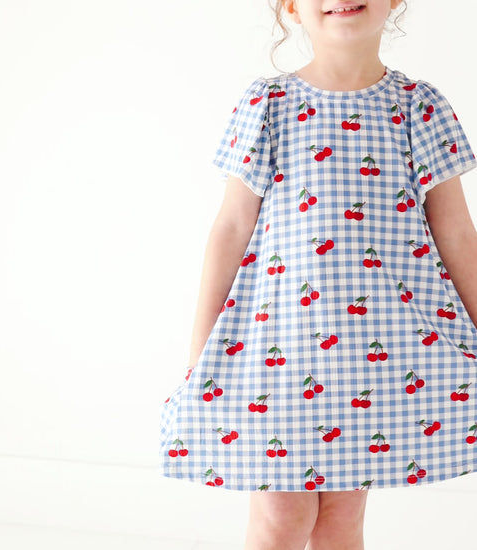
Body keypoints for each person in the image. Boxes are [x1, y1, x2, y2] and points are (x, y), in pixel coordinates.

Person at [158, 1, 477, 548]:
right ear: (290, 6)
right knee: (280, 520)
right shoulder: (269, 105)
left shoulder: (419, 107)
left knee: (342, 521)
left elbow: (457, 233)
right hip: (279, 355)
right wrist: (200, 356)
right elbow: (231, 228)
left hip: (375, 356)